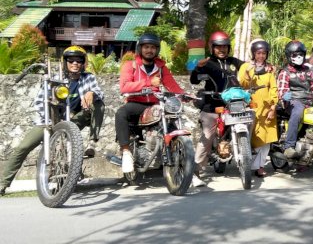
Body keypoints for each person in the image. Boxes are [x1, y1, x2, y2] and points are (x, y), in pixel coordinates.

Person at [0, 46, 105, 195]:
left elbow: (99, 92)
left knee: (99, 103)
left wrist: (92, 93)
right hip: (49, 120)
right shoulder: (55, 79)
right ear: (65, 62)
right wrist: (49, 121)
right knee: (23, 147)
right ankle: (3, 183)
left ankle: (92, 143)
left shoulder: (88, 77)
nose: (75, 63)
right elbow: (39, 102)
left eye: (79, 60)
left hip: (74, 119)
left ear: (83, 63)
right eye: (71, 60)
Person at [115, 34, 185, 176]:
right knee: (121, 113)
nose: (149, 50)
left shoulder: (161, 67)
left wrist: (185, 95)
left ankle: (188, 167)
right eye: (146, 47)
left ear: (157, 50)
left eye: (153, 47)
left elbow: (172, 85)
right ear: (140, 48)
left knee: (173, 123)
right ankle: (126, 151)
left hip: (155, 104)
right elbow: (124, 87)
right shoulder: (131, 65)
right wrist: (148, 83)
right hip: (136, 103)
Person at [190, 31, 244, 186]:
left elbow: (248, 68)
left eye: (225, 47)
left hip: (233, 104)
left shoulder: (233, 61)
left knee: (250, 118)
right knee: (207, 136)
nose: (222, 50)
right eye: (218, 47)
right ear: (212, 48)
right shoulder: (207, 63)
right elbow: (194, 80)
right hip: (212, 104)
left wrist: (261, 68)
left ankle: (246, 156)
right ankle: (195, 172)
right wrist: (197, 69)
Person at [276, 40, 313, 159]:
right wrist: (284, 95)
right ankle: (288, 146)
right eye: (295, 55)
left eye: (301, 55)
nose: (298, 57)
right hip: (293, 102)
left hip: (308, 102)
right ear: (289, 56)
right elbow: (282, 90)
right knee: (298, 111)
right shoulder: (285, 72)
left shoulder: (308, 71)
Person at [238, 39, 278, 178]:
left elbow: (273, 88)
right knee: (251, 136)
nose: (261, 56)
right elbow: (241, 84)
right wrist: (248, 75)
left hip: (267, 107)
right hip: (250, 105)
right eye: (258, 53)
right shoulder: (246, 66)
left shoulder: (270, 69)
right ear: (253, 53)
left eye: (264, 53)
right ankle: (246, 163)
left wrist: (273, 107)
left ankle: (259, 166)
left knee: (266, 139)